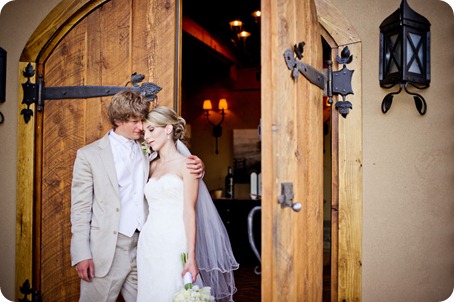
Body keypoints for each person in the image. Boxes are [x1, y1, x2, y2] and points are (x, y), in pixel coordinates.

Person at [70, 91, 204, 302]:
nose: (141, 127)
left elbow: (174, 169)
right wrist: (81, 253)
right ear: (118, 121)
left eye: (143, 121)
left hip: (145, 246)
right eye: (134, 122)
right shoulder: (89, 155)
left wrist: (198, 168)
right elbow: (80, 209)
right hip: (106, 250)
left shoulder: (147, 148)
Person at [137, 106, 239, 302]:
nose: (146, 137)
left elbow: (189, 211)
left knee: (174, 290)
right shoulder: (149, 165)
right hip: (149, 242)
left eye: (151, 130)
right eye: (144, 132)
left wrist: (191, 255)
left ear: (168, 129)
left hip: (175, 241)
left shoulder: (188, 164)